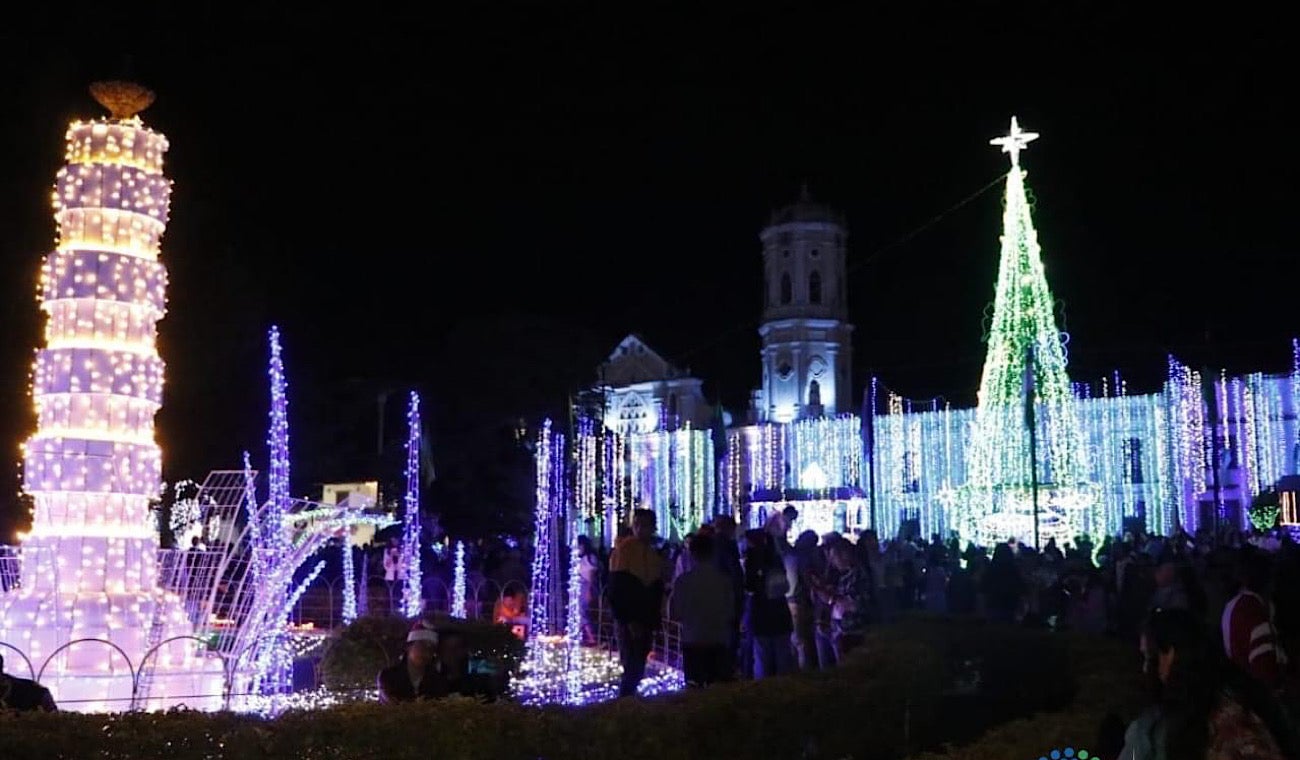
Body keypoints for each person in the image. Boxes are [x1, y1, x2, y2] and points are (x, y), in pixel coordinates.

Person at [1119, 608, 1294, 759]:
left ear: (1170, 654)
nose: (1145, 668)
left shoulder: (1161, 728)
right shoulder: (1247, 697)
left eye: (1148, 657)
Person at [608, 509, 665, 697]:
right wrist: (628, 619)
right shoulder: (625, 550)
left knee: (637, 665)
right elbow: (618, 590)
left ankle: (627, 703)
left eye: (645, 525)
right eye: (637, 524)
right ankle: (624, 703)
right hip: (630, 619)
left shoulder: (651, 553)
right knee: (632, 665)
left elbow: (655, 588)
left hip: (645, 617)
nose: (641, 529)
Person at [670, 533, 735, 687]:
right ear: (713, 553)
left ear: (691, 553)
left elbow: (676, 613)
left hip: (693, 639)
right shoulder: (724, 580)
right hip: (718, 638)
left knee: (695, 688)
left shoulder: (682, 582)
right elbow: (731, 612)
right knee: (717, 686)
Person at [1222, 550, 1287, 689]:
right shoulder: (1254, 612)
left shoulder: (1234, 603)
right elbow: (1265, 666)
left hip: (1239, 683)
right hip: (1254, 690)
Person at [744, 528, 794, 678]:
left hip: (761, 614)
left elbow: (749, 585)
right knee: (782, 655)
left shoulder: (752, 560)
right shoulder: (776, 559)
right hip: (780, 613)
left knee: (762, 657)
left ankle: (764, 692)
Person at [377, 624, 442, 703]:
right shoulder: (388, 676)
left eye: (431, 649)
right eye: (421, 646)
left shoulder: (437, 680)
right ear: (408, 647)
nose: (426, 652)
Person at [435, 628, 499, 701]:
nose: (452, 653)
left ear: (464, 650)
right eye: (446, 648)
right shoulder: (433, 673)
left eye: (456, 647)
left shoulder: (479, 668)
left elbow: (491, 696)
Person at [576, 535, 601, 645]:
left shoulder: (590, 558)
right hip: (582, 585)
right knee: (580, 612)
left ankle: (592, 637)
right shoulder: (583, 559)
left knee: (583, 612)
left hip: (586, 586)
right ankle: (584, 635)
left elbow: (591, 575)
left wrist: (590, 591)